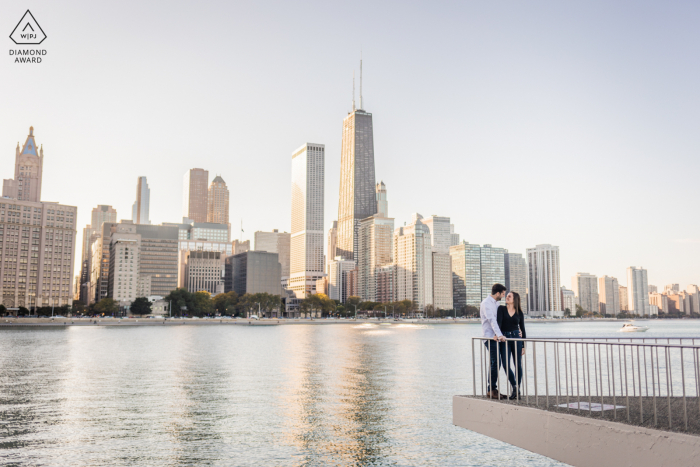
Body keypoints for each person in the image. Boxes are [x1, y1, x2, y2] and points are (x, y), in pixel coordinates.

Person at [497, 291, 526, 400]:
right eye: (507, 295)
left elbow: (523, 329)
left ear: (515, 299)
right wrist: (497, 335)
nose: (507, 297)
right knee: (505, 364)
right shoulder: (501, 309)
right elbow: (498, 324)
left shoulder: (519, 313)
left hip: (516, 338)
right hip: (504, 339)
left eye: (509, 296)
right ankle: (515, 388)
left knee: (518, 364)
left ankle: (517, 388)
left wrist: (523, 345)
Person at [480, 283, 507, 399]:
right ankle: (491, 389)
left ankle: (492, 389)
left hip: (496, 337)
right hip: (489, 338)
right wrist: (499, 335)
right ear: (497, 293)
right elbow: (492, 320)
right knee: (495, 362)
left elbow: (500, 320)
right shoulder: (486, 303)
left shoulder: (497, 304)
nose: (503, 296)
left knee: (496, 362)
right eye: (503, 294)